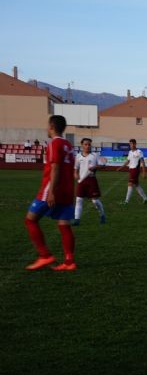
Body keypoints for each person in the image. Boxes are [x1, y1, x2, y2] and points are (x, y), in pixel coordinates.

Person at [24, 115, 77, 271]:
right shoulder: (69, 144)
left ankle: (44, 255)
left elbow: (55, 167)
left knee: (30, 220)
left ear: (52, 126)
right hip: (67, 189)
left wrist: (51, 192)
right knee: (64, 225)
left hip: (52, 188)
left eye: (48, 126)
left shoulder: (54, 143)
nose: (47, 129)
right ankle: (69, 262)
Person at [72, 138, 106, 225]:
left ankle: (102, 215)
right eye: (86, 144)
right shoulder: (78, 156)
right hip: (81, 181)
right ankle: (77, 220)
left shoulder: (95, 155)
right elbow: (75, 170)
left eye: (89, 144)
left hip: (91, 180)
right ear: (82, 145)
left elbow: (103, 166)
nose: (87, 146)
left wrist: (95, 168)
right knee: (79, 200)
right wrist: (76, 176)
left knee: (95, 201)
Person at [117, 138, 147, 204]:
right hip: (131, 170)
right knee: (136, 185)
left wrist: (144, 172)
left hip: (136, 170)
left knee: (130, 184)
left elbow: (143, 162)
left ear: (135, 144)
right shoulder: (130, 152)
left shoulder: (139, 152)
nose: (132, 145)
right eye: (130, 144)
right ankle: (145, 198)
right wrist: (121, 167)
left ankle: (126, 201)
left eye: (133, 143)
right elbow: (128, 161)